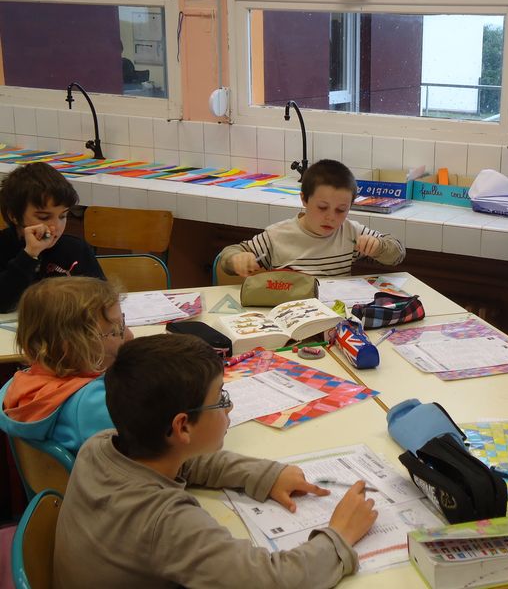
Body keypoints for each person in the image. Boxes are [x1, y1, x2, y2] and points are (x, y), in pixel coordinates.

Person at [53, 333, 378, 587]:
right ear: (182, 426)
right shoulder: (164, 522)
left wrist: (265, 475)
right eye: (221, 398)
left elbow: (188, 461)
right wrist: (339, 536)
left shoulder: (100, 446)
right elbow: (271, 581)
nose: (229, 407)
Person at [0, 276, 132, 456]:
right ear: (71, 348)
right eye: (115, 331)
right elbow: (149, 453)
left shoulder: (17, 387)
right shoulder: (95, 405)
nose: (130, 336)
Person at [218, 159, 405, 278]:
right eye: (322, 207)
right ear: (304, 199)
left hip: (335, 315)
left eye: (341, 210)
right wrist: (236, 259)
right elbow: (227, 256)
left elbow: (397, 254)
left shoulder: (350, 232)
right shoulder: (277, 236)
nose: (331, 217)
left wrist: (379, 247)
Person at [0, 162, 104, 312]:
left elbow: (103, 300)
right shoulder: (3, 246)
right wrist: (29, 255)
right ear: (14, 216)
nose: (55, 226)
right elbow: (3, 304)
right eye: (44, 217)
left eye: (63, 216)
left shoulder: (76, 249)